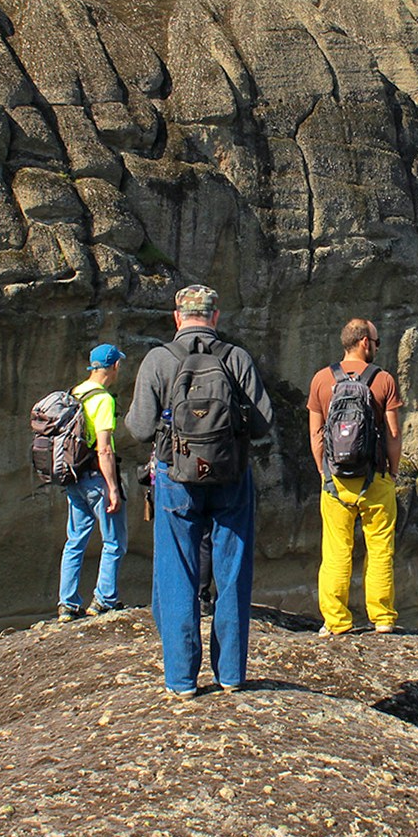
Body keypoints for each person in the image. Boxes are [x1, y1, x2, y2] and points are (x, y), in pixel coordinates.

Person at [125, 285, 274, 697]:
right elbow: (262, 423)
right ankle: (230, 675)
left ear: (177, 317)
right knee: (232, 573)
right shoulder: (236, 357)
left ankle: (181, 680)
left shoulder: (158, 359)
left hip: (176, 478)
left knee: (178, 573)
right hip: (231, 477)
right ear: (215, 317)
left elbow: (138, 428)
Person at [308, 319, 403, 636]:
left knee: (336, 550)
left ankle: (336, 620)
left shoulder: (322, 379)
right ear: (364, 342)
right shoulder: (383, 380)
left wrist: (325, 470)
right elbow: (393, 434)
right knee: (379, 548)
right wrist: (393, 470)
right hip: (374, 477)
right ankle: (383, 618)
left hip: (335, 479)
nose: (377, 346)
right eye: (377, 340)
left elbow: (316, 433)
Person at [57, 343, 129, 622]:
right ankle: (104, 600)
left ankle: (67, 604)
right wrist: (113, 488)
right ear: (114, 366)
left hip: (73, 478)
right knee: (114, 541)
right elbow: (105, 449)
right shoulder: (104, 400)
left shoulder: (74, 393)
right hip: (97, 479)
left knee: (75, 540)